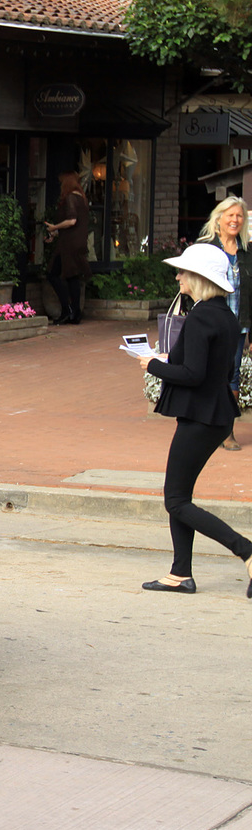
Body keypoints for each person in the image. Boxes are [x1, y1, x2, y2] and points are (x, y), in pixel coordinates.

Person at [136, 242, 252, 598]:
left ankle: (245, 549)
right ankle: (179, 573)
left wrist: (154, 364)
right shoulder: (223, 315)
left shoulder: (202, 315)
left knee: (176, 500)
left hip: (200, 416)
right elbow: (220, 366)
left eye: (184, 272)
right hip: (214, 414)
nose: (178, 277)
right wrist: (175, 357)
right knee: (179, 495)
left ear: (200, 278)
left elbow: (193, 374)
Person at [196, 195, 249, 450]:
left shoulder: (248, 252)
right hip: (210, 323)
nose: (235, 220)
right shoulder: (206, 248)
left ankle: (226, 432)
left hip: (238, 327)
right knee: (206, 372)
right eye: (230, 215)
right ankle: (204, 427)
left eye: (239, 216)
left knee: (232, 376)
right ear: (219, 219)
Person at [44, 171, 90, 325]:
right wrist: (56, 233)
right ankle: (75, 313)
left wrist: (54, 227)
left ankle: (67, 309)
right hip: (78, 243)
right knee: (72, 277)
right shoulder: (81, 198)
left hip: (68, 245)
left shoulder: (70, 198)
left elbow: (71, 221)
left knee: (52, 274)